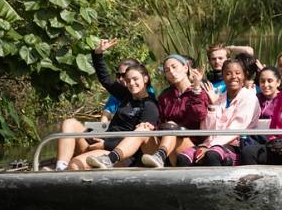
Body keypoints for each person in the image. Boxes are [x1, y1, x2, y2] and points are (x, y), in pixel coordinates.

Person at [57, 38, 159, 170]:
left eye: (135, 79)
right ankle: (60, 167)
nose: (131, 83)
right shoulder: (126, 95)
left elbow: (138, 141)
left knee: (75, 165)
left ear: (145, 79)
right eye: (128, 81)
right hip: (104, 142)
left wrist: (105, 144)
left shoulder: (150, 106)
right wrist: (97, 54)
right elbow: (105, 78)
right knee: (69, 123)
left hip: (119, 153)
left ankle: (70, 174)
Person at [177, 58, 260, 166]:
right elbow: (206, 130)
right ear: (223, 77)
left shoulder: (249, 97)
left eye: (238, 73)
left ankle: (218, 183)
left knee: (212, 155)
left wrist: (210, 146)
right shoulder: (219, 98)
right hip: (211, 143)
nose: (234, 77)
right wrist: (212, 105)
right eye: (228, 74)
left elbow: (236, 129)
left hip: (236, 145)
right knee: (183, 157)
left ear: (244, 76)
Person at [137, 54, 210, 168]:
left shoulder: (199, 91)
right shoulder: (165, 95)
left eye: (174, 67)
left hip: (190, 147)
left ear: (186, 68)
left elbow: (199, 116)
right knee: (142, 129)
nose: (171, 71)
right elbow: (160, 121)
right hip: (166, 144)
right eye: (167, 70)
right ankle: (112, 158)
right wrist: (150, 126)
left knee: (171, 126)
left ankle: (160, 156)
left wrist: (196, 88)